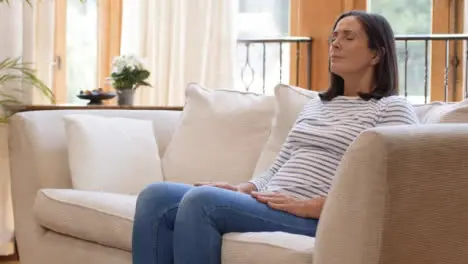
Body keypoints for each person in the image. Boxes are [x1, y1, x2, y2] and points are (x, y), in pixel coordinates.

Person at [132, 10, 419, 264]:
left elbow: (395, 188)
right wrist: (243, 189)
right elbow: (280, 164)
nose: (335, 43)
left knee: (202, 201)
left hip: (317, 217)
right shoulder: (317, 105)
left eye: (348, 37)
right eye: (334, 36)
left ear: (376, 54)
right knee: (156, 195)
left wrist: (316, 206)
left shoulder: (391, 109)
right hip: (272, 203)